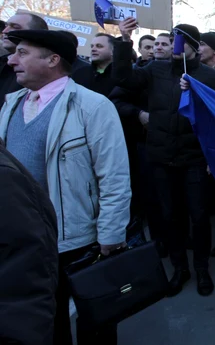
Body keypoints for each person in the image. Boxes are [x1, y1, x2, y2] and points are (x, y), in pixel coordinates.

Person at [0, 29, 131, 344]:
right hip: (28, 244)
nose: (11, 60)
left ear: (52, 59)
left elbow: (113, 175)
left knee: (95, 322)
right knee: (47, 323)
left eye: (22, 52)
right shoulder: (10, 104)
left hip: (77, 241)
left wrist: (110, 235)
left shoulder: (91, 106)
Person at [113, 21, 215, 298]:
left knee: (199, 217)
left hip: (195, 158)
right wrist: (124, 41)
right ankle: (180, 269)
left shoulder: (209, 76)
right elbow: (124, 80)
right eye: (173, 39)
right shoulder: (155, 70)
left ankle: (201, 269)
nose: (175, 45)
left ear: (195, 47)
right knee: (170, 216)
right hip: (162, 157)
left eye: (181, 41)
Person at [0, 138, 58, 345]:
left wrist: (110, 230)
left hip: (74, 232)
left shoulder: (5, 179)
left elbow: (22, 301)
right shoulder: (14, 109)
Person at [0, 12, 50, 103]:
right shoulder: (2, 61)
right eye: (6, 26)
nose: (5, 31)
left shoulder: (46, 72)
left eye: (15, 27)